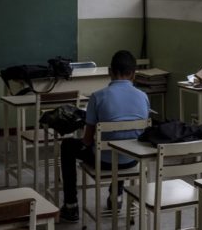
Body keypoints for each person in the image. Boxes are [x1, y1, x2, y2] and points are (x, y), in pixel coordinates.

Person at [59, 50, 150, 222]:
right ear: (134, 74)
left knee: (68, 146)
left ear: (110, 71)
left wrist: (89, 141)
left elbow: (86, 140)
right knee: (123, 143)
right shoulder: (143, 97)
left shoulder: (97, 97)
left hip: (104, 161)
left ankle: (71, 206)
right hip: (133, 159)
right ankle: (116, 197)